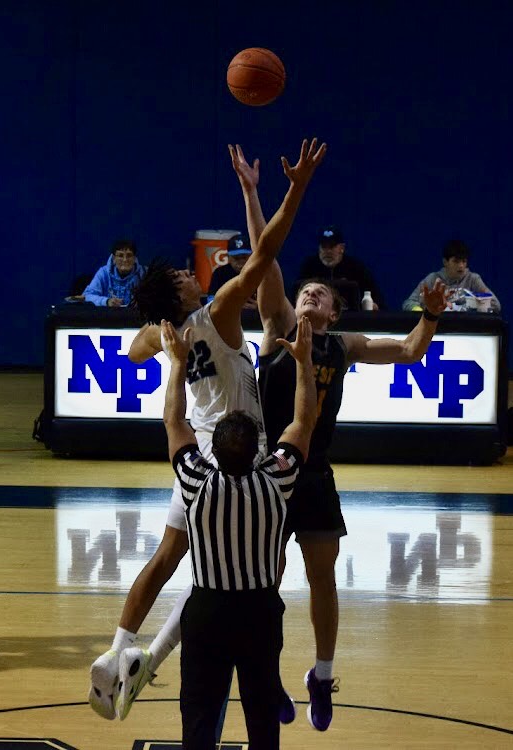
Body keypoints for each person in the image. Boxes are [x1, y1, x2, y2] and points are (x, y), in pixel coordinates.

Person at [88, 138, 326, 722]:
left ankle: (122, 650)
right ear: (182, 294)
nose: (186, 273)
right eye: (179, 275)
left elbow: (135, 347)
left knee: (171, 554)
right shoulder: (217, 311)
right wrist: (295, 188)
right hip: (242, 459)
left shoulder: (161, 333)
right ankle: (219, 668)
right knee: (253, 574)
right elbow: (265, 253)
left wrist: (161, 338)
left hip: (194, 458)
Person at [247, 195, 447, 730]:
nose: (311, 292)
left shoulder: (344, 345)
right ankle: (267, 676)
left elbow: (409, 351)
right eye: (305, 290)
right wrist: (251, 194)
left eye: (322, 294)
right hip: (267, 474)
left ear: (334, 312)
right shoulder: (277, 329)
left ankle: (321, 674)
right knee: (266, 585)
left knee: (323, 580)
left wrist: (429, 314)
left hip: (313, 474)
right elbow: (265, 258)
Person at [161, 316, 315, 750]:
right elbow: (303, 423)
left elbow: (175, 423)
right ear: (257, 450)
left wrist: (177, 364)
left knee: (198, 716)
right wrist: (303, 364)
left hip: (207, 610)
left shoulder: (195, 481)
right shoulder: (276, 480)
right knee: (262, 719)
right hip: (260, 612)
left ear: (214, 451)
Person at [296, 226, 385, 311]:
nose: (327, 251)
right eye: (324, 247)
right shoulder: (310, 267)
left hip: (351, 320)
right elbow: (296, 295)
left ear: (342, 248)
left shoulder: (356, 268)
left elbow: (376, 298)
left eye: (331, 246)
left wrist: (374, 305)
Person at [402, 239, 500, 314]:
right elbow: (408, 303)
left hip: (467, 329)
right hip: (438, 329)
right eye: (456, 261)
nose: (461, 265)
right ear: (445, 262)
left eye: (464, 261)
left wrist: (476, 302)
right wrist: (424, 312)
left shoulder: (473, 279)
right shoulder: (433, 279)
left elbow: (496, 305)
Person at [83, 240, 145, 308]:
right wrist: (106, 301)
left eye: (129, 255)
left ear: (134, 258)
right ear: (113, 258)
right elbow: (87, 296)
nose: (125, 260)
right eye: (120, 256)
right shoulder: (104, 273)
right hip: (108, 316)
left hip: (135, 317)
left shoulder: (144, 273)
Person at [208, 234, 257, 309]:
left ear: (252, 255)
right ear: (228, 257)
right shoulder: (220, 273)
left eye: (244, 257)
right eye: (236, 258)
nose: (241, 262)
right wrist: (231, 305)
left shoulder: (261, 272)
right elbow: (210, 303)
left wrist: (261, 307)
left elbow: (275, 303)